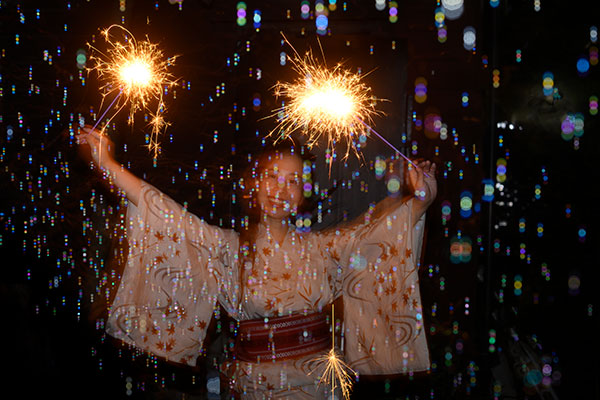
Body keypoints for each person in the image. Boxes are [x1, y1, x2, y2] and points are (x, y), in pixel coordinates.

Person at [77, 125, 437, 399]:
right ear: (253, 184)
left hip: (318, 386)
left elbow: (376, 237)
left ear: (303, 194)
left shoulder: (325, 247)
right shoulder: (227, 248)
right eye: (272, 177)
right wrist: (108, 164)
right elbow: (167, 215)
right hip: (253, 386)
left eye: (293, 181)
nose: (281, 190)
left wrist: (421, 199)